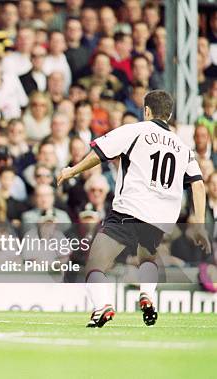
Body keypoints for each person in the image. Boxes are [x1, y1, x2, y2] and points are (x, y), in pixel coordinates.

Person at [57, 90, 210, 328]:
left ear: (146, 110)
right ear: (168, 115)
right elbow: (198, 185)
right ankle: (147, 294)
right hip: (161, 218)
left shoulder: (135, 130)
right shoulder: (182, 147)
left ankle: (102, 306)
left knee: (96, 262)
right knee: (147, 257)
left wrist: (72, 170)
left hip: (131, 209)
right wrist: (199, 224)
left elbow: (100, 154)